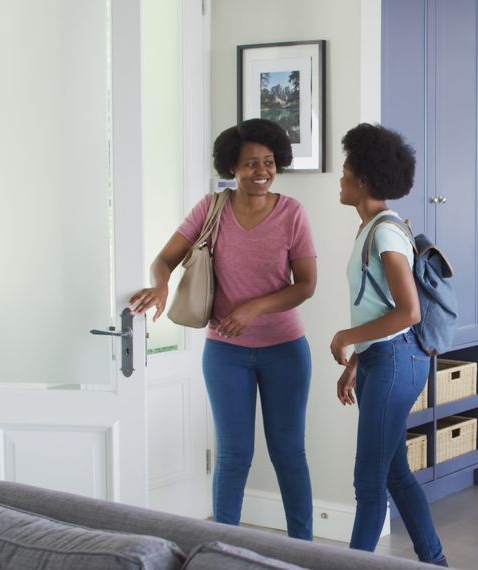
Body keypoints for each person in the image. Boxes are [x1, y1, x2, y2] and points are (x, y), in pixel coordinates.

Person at [130, 119, 317, 539]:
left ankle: (303, 548)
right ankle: (221, 547)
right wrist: (160, 284)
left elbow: (306, 285)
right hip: (226, 353)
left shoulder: (292, 213)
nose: (261, 172)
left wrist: (255, 308)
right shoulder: (211, 208)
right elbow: (164, 259)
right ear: (232, 166)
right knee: (234, 455)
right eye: (251, 164)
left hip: (285, 349)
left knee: (289, 453)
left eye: (269, 162)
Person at [331, 123, 448, 566]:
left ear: (362, 179)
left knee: (369, 482)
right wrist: (355, 363)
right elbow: (375, 307)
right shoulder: (371, 228)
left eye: (344, 171)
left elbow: (408, 312)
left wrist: (346, 338)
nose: (339, 179)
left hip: (396, 362)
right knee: (395, 473)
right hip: (382, 360)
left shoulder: (384, 232)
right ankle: (435, 563)